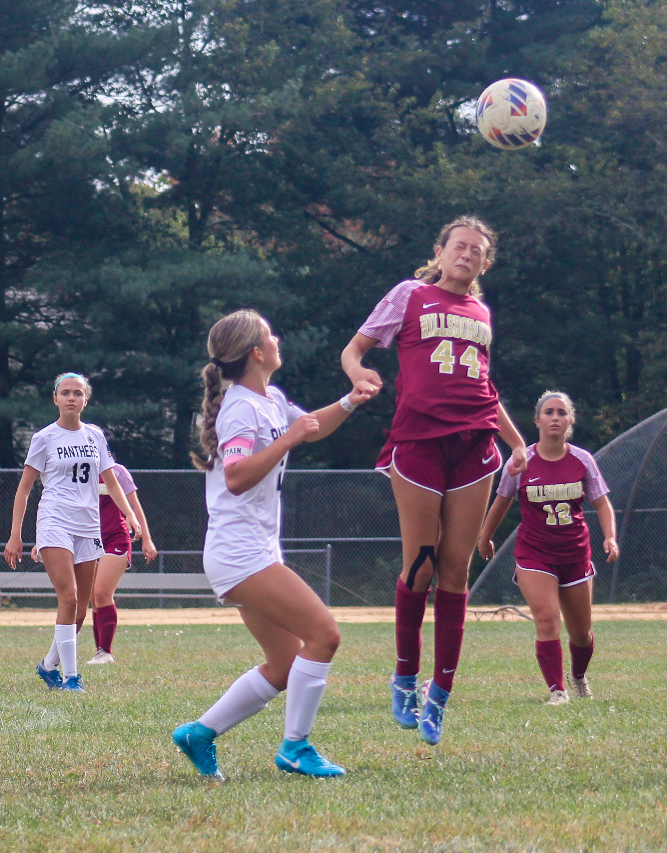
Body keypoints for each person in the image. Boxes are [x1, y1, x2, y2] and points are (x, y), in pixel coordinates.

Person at [341, 215, 527, 745]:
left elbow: (485, 390)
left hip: (474, 446)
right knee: (420, 565)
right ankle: (403, 676)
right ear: (440, 252)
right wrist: (359, 375)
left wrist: (517, 444)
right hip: (419, 442)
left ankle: (439, 694)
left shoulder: (481, 311)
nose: (467, 254)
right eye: (458, 246)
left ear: (485, 263)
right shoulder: (409, 294)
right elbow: (353, 351)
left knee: (455, 571)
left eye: (477, 250)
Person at [172, 309, 378, 781]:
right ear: (257, 353)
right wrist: (286, 439)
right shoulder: (241, 407)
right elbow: (238, 476)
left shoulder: (270, 398)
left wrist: (349, 401)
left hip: (254, 549)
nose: (277, 338)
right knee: (325, 634)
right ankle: (295, 747)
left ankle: (198, 734)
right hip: (240, 552)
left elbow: (310, 427)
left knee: (285, 665)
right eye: (269, 335)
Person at [477, 391, 619, 704]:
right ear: (538, 420)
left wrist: (610, 536)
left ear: (570, 420)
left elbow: (602, 503)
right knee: (546, 620)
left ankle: (578, 676)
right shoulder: (522, 460)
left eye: (561, 412)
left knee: (581, 634)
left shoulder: (582, 459)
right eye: (549, 412)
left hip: (574, 553)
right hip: (534, 552)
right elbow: (502, 500)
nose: (555, 417)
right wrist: (484, 535)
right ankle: (558, 690)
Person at [3, 373, 141, 691]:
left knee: (80, 609)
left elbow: (110, 478)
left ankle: (48, 665)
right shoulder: (44, 438)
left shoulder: (94, 436)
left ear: (85, 399)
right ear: (55, 399)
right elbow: (24, 490)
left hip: (88, 525)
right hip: (55, 522)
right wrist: (15, 534)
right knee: (68, 597)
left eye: (77, 393)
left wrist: (130, 514)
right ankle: (71, 677)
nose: (71, 398)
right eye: (65, 393)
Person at [87, 463, 158, 665]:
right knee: (93, 596)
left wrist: (146, 538)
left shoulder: (117, 472)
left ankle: (106, 652)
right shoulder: (80, 470)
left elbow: (134, 507)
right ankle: (100, 652)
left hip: (116, 538)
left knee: (101, 592)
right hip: (90, 540)